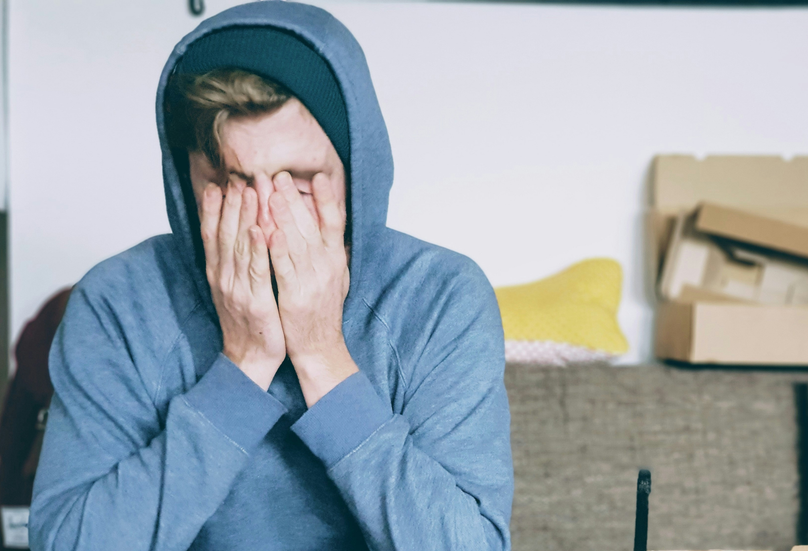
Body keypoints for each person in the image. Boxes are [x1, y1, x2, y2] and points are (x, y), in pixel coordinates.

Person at [28, 2, 513, 550]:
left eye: (300, 184)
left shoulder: (442, 298)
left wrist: (322, 356)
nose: (264, 221)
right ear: (187, 180)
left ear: (358, 172)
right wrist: (243, 366)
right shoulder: (116, 303)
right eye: (233, 183)